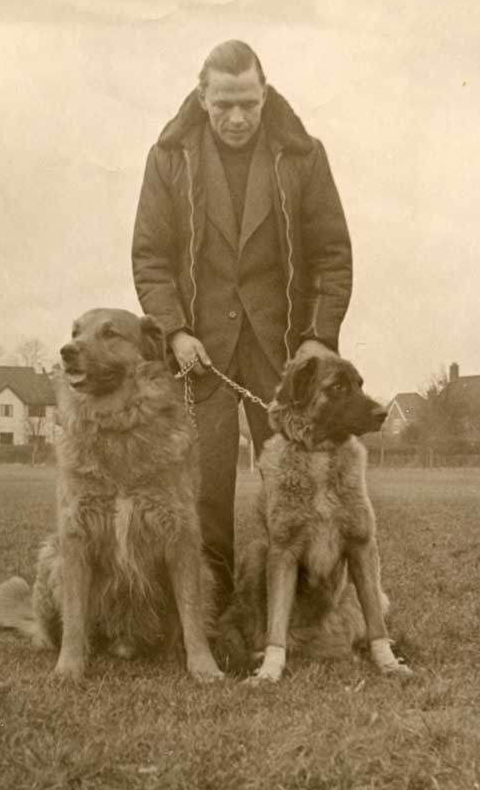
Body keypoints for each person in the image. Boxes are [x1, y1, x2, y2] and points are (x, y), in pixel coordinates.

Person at [131, 40, 352, 611]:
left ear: (264, 92)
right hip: (196, 354)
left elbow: (331, 254)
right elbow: (151, 257)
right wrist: (175, 331)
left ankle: (305, 612)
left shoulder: (304, 156)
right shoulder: (167, 158)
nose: (237, 117)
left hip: (286, 358)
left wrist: (316, 339)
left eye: (248, 104)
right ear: (203, 96)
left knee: (298, 482)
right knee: (203, 487)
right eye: (224, 103)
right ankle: (214, 613)